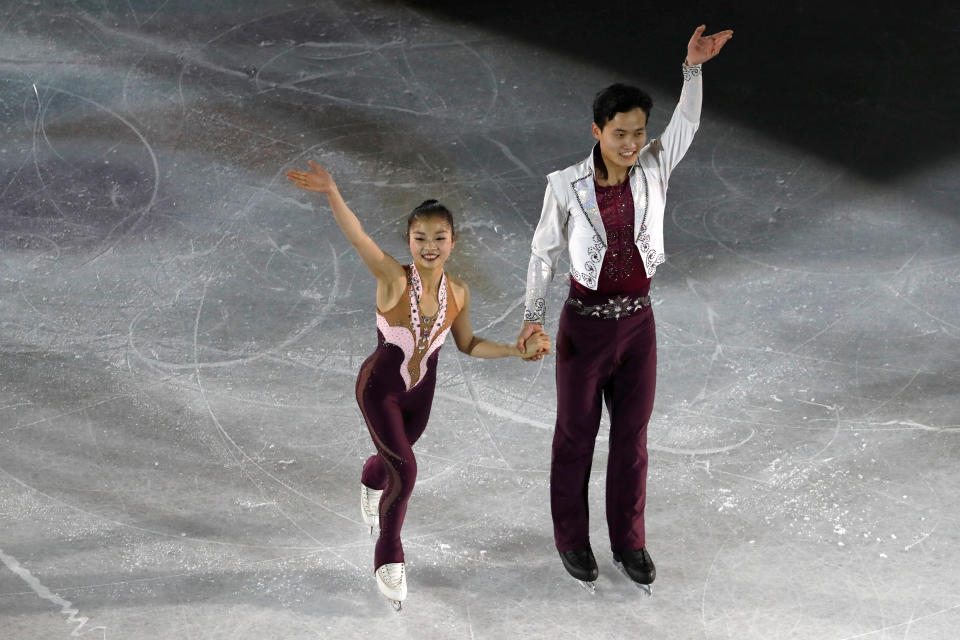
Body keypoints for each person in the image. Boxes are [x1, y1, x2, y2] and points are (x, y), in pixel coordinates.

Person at [516, 25, 733, 594]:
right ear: (597, 131)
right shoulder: (565, 185)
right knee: (575, 436)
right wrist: (532, 314)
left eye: (638, 132)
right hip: (582, 331)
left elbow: (686, 123)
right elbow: (542, 250)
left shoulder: (656, 167)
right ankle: (571, 538)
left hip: (638, 326)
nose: (632, 143)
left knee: (632, 439)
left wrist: (693, 69)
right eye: (621, 134)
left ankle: (628, 541)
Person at [286, 162, 551, 610]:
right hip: (379, 392)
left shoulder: (459, 293)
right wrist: (333, 192)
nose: (429, 246)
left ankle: (370, 480)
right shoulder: (394, 278)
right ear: (409, 241)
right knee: (405, 472)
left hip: (419, 399)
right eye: (420, 238)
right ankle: (388, 556)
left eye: (439, 237)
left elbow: (467, 344)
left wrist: (514, 350)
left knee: (390, 464)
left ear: (453, 241)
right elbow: (358, 238)